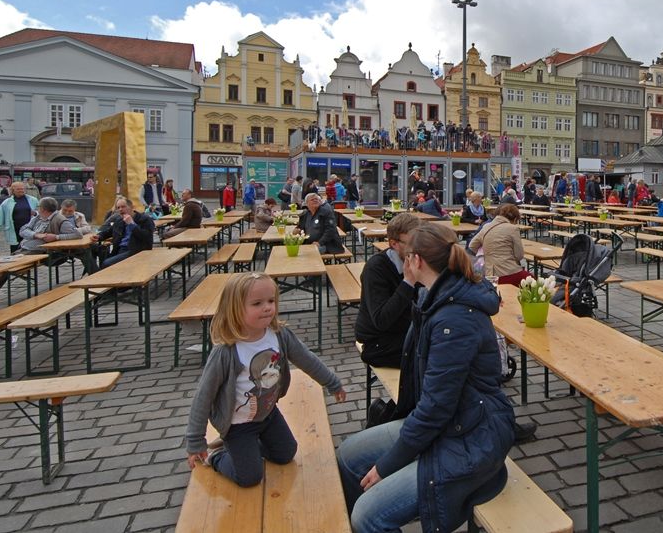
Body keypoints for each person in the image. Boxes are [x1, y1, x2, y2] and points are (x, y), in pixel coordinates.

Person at [337, 223, 515, 533]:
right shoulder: (434, 296)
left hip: (471, 437)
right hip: (450, 422)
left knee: (368, 515)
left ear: (415, 261)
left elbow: (436, 409)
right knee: (348, 456)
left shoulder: (453, 318)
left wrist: (388, 465)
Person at [185, 273, 346, 487]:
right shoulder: (226, 351)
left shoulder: (279, 334)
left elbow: (307, 359)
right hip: (238, 425)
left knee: (286, 454)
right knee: (250, 478)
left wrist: (332, 383)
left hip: (268, 414)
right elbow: (203, 397)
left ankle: (247, 449)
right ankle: (219, 457)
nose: (268, 307)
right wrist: (195, 441)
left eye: (271, 301)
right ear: (235, 309)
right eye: (257, 303)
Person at [355, 214, 423, 368]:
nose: (420, 247)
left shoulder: (417, 258)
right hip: (379, 343)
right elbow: (381, 320)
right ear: (394, 243)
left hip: (408, 332)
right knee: (439, 357)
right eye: (413, 242)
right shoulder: (376, 268)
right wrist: (408, 282)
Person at [468, 204, 529, 286]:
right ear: (515, 219)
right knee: (533, 282)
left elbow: (472, 247)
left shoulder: (486, 227)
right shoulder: (512, 228)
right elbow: (519, 255)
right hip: (508, 272)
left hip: (489, 274)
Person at [98, 196, 156, 268]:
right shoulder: (119, 220)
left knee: (107, 264)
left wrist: (132, 224)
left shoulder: (144, 219)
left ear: (132, 207)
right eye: (118, 208)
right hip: (120, 249)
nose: (120, 209)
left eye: (123, 207)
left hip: (136, 250)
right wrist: (99, 236)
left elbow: (147, 237)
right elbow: (109, 231)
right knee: (96, 251)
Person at [0, 181, 38, 253]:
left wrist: (35, 213)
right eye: (18, 189)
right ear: (13, 190)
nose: (21, 190)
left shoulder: (33, 200)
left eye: (22, 189)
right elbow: (0, 215)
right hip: (14, 229)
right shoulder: (7, 202)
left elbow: (41, 212)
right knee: (15, 249)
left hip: (29, 229)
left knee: (29, 247)